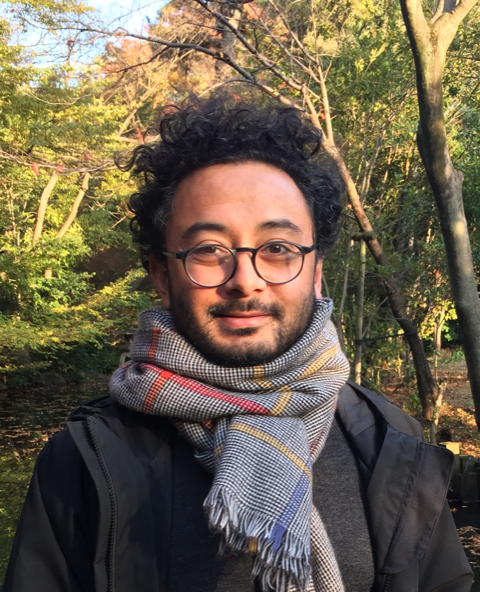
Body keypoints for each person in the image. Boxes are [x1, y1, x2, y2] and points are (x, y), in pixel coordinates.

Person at [4, 98, 472, 592]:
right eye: (209, 250)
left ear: (315, 273)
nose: (245, 280)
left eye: (278, 249)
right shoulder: (86, 459)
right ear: (162, 278)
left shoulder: (391, 441)